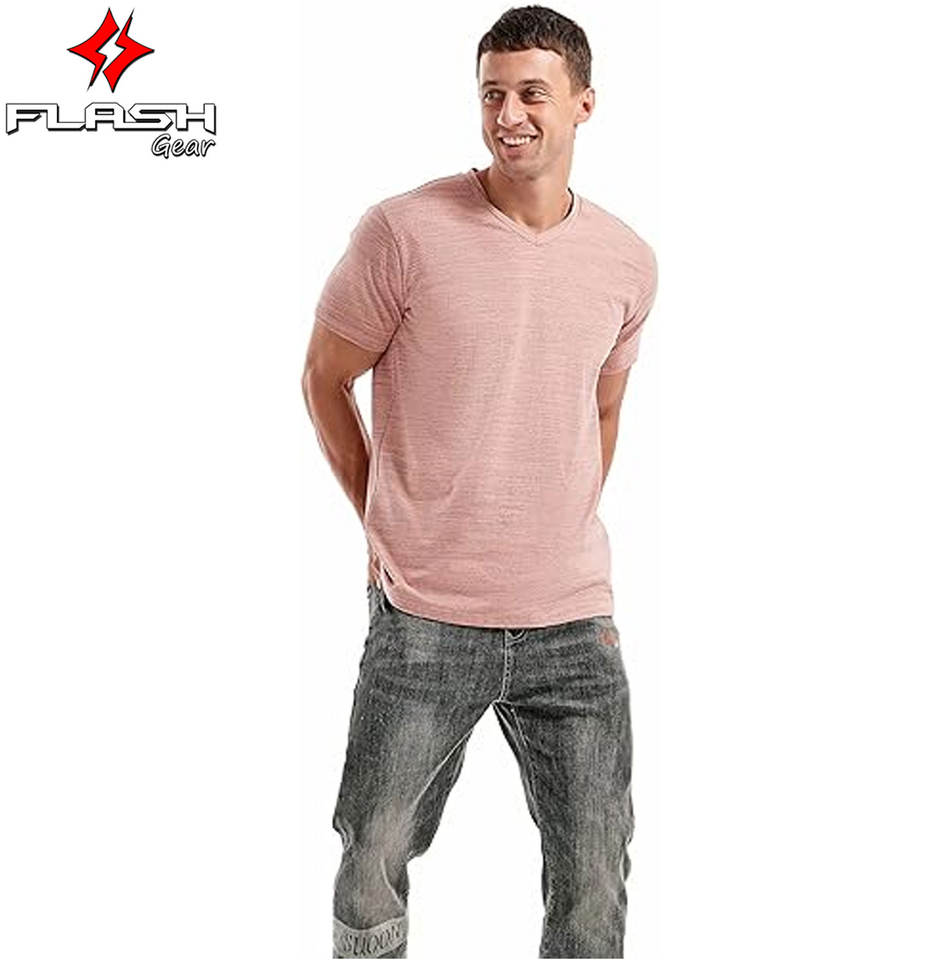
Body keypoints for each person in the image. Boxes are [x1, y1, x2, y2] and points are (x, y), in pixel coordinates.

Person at [301, 6, 658, 957]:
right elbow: (325, 379)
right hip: (426, 614)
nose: (509, 115)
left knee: (595, 876)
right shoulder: (404, 232)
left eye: (533, 93)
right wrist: (384, 521)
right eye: (492, 94)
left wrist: (550, 521)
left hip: (573, 620)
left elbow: (603, 411)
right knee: (372, 855)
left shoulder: (627, 261)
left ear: (583, 104)